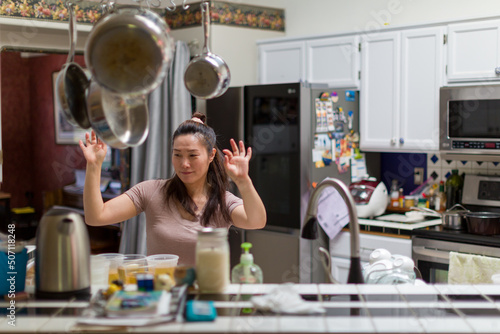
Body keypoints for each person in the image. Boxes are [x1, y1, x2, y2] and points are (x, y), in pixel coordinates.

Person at [79, 112, 266, 266]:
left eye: (193, 155)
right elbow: (96, 216)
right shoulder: (150, 191)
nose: (184, 164)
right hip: (162, 295)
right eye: (177, 155)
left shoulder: (222, 200)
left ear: (211, 155)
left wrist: (243, 181)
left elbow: (256, 221)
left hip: (206, 297)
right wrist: (94, 166)